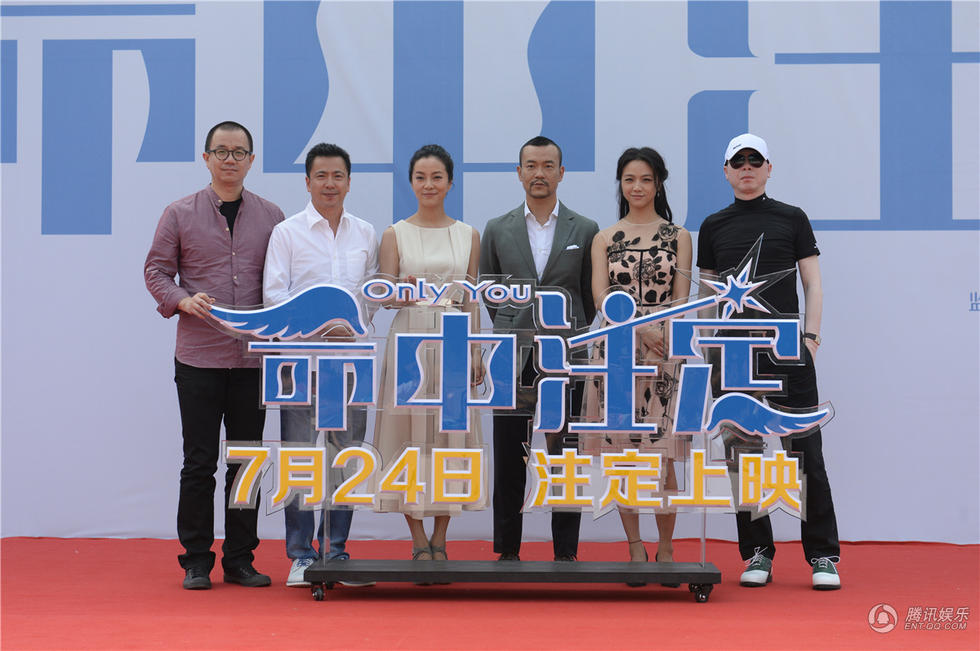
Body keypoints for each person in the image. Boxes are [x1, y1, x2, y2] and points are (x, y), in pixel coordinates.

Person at [697, 133, 841, 590]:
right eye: (738, 161)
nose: (746, 168)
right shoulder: (713, 225)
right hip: (733, 355)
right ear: (726, 171)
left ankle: (822, 556)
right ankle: (757, 552)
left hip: (787, 352)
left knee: (806, 454)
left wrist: (811, 338)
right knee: (743, 455)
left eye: (754, 161)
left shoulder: (791, 218)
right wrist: (707, 347)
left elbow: (812, 283)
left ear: (768, 168)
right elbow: (705, 294)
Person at [144, 121, 283, 589]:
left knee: (246, 462)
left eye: (239, 152)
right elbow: (156, 270)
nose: (230, 159)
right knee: (199, 462)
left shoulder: (272, 216)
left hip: (253, 359)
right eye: (221, 151)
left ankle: (240, 559)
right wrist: (182, 300)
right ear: (205, 157)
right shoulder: (179, 213)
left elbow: (282, 279)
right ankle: (197, 560)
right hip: (199, 358)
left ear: (251, 160)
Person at [263, 143, 379, 588]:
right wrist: (320, 326)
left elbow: (371, 295)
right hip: (300, 365)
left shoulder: (365, 232)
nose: (330, 184)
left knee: (345, 460)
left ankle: (336, 551)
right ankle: (300, 555)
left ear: (349, 182)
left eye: (338, 176)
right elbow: (274, 296)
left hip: (350, 366)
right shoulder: (287, 233)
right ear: (307, 181)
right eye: (321, 176)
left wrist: (353, 323)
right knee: (301, 459)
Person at [480, 136, 599, 562]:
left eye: (548, 165)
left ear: (561, 173)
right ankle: (507, 551)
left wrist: (566, 329)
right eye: (531, 165)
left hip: (565, 353)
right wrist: (515, 325)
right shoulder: (498, 228)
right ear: (519, 172)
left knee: (565, 455)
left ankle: (565, 552)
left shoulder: (584, 229)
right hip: (512, 356)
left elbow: (587, 294)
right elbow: (489, 289)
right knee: (510, 455)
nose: (539, 173)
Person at [374, 144, 484, 562]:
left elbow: (471, 299)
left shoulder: (468, 234)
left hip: (454, 337)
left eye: (437, 177)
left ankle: (441, 536)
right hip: (410, 338)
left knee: (449, 436)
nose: (428, 184)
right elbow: (382, 296)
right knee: (408, 435)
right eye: (420, 177)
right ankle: (417, 537)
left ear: (450, 182)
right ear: (411, 183)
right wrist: (401, 291)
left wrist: (475, 351)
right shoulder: (395, 233)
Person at [586, 147, 691, 578]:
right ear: (621, 184)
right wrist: (638, 328)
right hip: (616, 348)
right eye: (629, 179)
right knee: (622, 453)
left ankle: (666, 547)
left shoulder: (678, 236)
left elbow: (682, 299)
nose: (637, 187)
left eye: (646, 179)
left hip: (664, 349)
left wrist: (659, 331)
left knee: (663, 453)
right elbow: (600, 296)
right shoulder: (605, 238)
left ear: (658, 183)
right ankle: (634, 546)